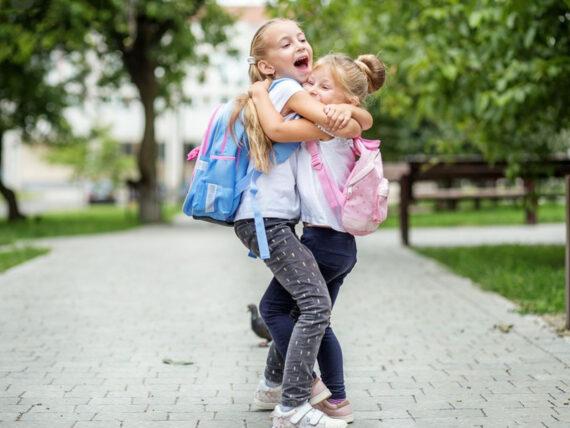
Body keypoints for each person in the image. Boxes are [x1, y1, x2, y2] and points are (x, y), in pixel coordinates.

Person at [231, 18, 372, 428]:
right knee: (310, 306)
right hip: (277, 221)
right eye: (286, 42)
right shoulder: (286, 90)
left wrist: (349, 114)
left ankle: (274, 386)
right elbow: (283, 129)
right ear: (266, 65)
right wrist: (343, 119)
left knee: (284, 306)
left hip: (276, 220)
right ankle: (297, 401)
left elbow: (351, 120)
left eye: (302, 38)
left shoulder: (280, 90)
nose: (300, 44)